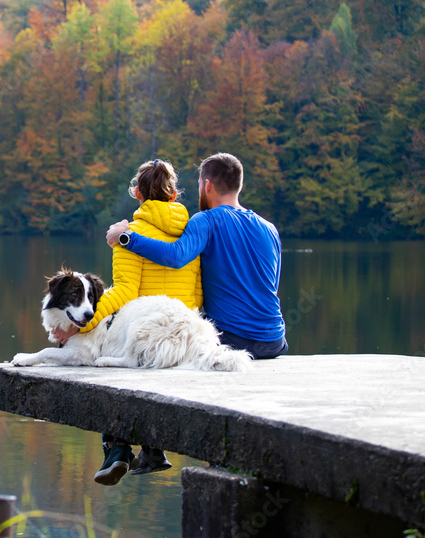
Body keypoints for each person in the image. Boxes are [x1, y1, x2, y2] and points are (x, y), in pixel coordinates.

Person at [53, 159, 203, 485]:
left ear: (137, 192)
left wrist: (81, 325)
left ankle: (117, 448)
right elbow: (197, 294)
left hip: (142, 329)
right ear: (175, 194)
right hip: (183, 334)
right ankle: (153, 449)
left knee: (107, 364)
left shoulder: (128, 236)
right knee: (150, 374)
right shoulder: (191, 234)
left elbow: (123, 293)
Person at [105, 152, 288, 358]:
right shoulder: (270, 228)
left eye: (200, 184)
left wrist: (127, 238)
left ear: (207, 186)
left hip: (231, 340)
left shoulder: (206, 220)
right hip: (275, 340)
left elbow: (176, 256)